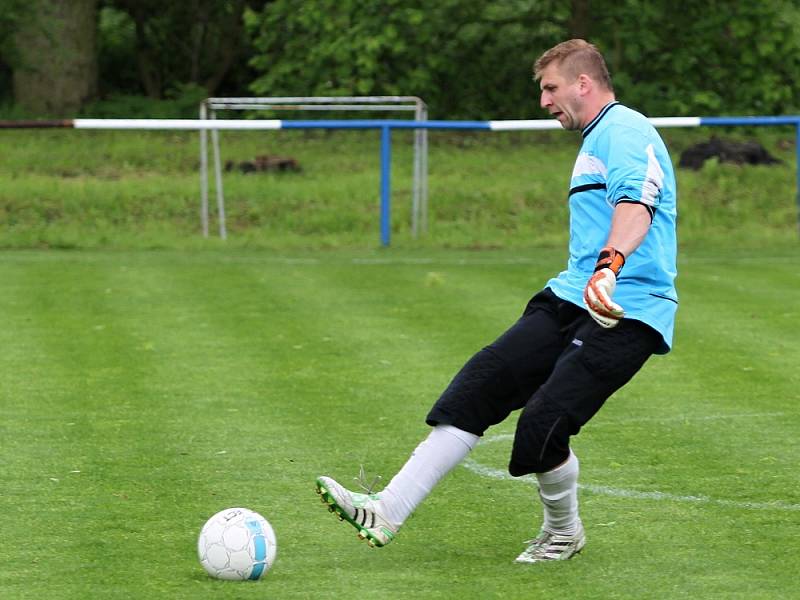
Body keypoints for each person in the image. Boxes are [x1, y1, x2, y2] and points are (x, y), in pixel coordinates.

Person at [315, 38, 678, 563]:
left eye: (549, 88)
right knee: (478, 386)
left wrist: (610, 267)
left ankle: (563, 533)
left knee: (543, 424)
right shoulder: (597, 138)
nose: (544, 101)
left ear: (583, 83)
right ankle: (386, 509)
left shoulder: (624, 130)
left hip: (628, 308)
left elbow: (638, 203)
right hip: (568, 296)